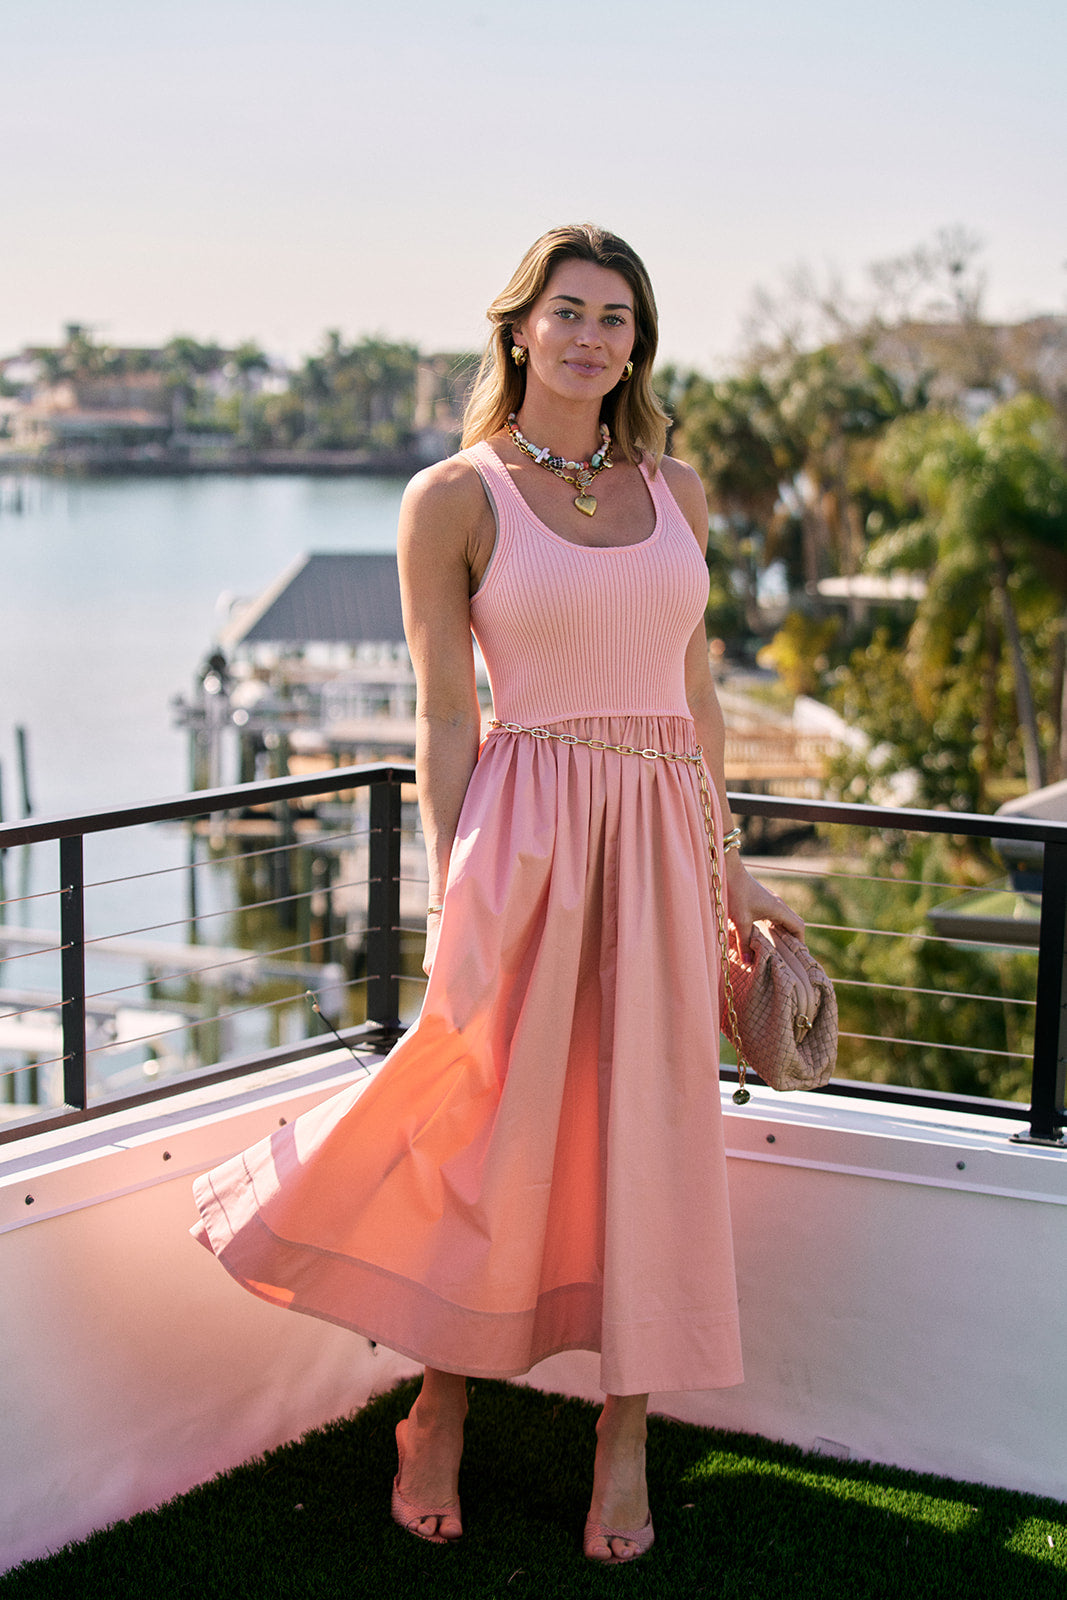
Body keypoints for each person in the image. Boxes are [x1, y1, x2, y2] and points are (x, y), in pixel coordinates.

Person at [192, 223, 803, 1566]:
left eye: (616, 318)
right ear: (520, 328)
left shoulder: (678, 490)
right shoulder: (454, 498)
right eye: (567, 311)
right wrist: (449, 886)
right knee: (489, 1130)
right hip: (522, 842)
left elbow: (695, 699)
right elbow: (443, 718)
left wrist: (731, 862)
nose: (590, 337)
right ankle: (441, 1405)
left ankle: (625, 1437)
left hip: (660, 839)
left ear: (637, 346)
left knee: (651, 1136)